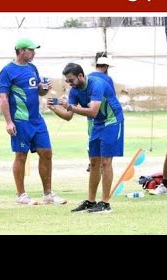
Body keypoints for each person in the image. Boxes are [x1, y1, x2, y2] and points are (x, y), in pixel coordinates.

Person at [0, 38, 67, 206]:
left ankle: (48, 194)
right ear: (21, 51)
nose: (34, 53)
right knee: (21, 156)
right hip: (20, 121)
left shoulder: (32, 68)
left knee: (47, 153)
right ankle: (21, 195)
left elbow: (39, 92)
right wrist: (9, 122)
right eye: (31, 50)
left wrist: (44, 89)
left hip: (37, 120)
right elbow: (3, 97)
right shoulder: (7, 71)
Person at [49, 62, 124, 213]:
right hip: (98, 124)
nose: (70, 84)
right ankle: (91, 201)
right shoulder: (75, 91)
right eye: (67, 81)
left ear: (81, 76)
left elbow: (93, 111)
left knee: (106, 161)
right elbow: (69, 116)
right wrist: (55, 108)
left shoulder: (97, 84)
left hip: (112, 121)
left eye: (72, 80)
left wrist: (70, 106)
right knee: (94, 162)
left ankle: (105, 203)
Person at [86, 55, 116, 172]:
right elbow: (111, 98)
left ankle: (92, 162)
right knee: (105, 140)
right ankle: (104, 164)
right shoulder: (107, 79)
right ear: (106, 67)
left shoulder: (88, 77)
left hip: (89, 114)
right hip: (104, 116)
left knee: (92, 139)